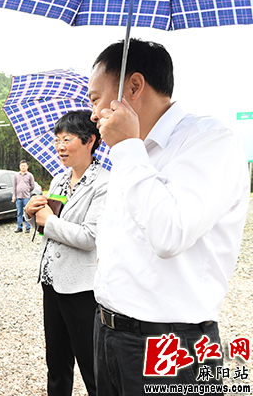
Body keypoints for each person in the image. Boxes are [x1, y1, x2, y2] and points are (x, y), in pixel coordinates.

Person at [89, 39, 250, 394]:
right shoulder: (131, 152)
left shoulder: (210, 141)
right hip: (109, 332)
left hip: (171, 342)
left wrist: (128, 148)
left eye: (95, 98)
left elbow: (169, 234)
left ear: (133, 87)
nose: (93, 113)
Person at [24, 111, 108, 396]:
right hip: (52, 282)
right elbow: (49, 225)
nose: (59, 146)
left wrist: (49, 221)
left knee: (91, 365)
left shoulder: (104, 184)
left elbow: (90, 237)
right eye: (57, 140)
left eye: (67, 139)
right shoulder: (59, 180)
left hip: (82, 289)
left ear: (90, 141)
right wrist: (33, 213)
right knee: (57, 364)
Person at [12, 159, 35, 233]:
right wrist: (14, 195)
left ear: (27, 166)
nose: (23, 167)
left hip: (26, 197)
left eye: (24, 166)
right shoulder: (16, 175)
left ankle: (28, 227)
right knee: (19, 213)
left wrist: (27, 190)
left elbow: (32, 186)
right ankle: (19, 227)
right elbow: (14, 186)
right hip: (18, 197)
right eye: (22, 166)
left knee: (27, 213)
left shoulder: (30, 175)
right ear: (19, 166)